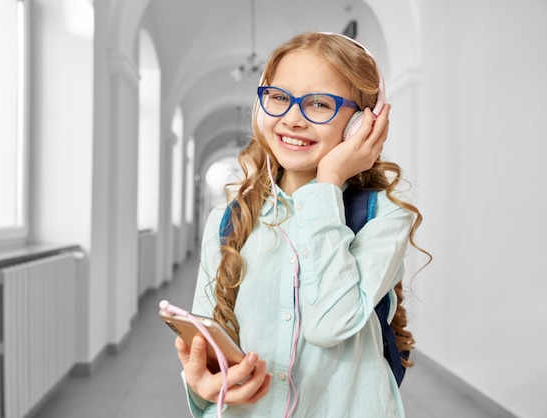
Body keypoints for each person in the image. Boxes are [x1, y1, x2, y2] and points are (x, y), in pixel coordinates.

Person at [173, 31, 430, 417]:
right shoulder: (227, 221)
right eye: (279, 97)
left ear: (362, 124)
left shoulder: (385, 216)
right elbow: (212, 350)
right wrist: (203, 383)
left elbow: (329, 325)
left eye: (320, 104)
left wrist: (328, 181)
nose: (292, 119)